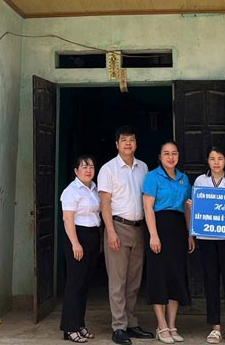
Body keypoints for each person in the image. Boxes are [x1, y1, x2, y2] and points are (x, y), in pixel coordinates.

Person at [98, 126, 155, 345]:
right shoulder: (108, 169)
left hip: (139, 229)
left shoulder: (143, 168)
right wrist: (110, 231)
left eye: (131, 140)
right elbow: (105, 204)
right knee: (117, 281)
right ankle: (119, 326)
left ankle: (132, 323)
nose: (128, 143)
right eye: (123, 140)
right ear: (117, 145)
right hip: (118, 228)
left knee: (134, 281)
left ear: (136, 143)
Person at [142, 141, 194, 344]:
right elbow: (148, 207)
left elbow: (187, 208)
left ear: (178, 156)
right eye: (166, 153)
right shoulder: (152, 177)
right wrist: (153, 235)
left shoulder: (183, 179)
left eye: (174, 153)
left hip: (179, 230)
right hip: (159, 229)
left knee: (176, 276)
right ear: (160, 156)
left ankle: (172, 325)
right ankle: (161, 326)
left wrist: (190, 233)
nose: (170, 157)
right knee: (159, 276)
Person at [193, 146, 225, 345]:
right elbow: (197, 209)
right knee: (211, 282)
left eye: (220, 158)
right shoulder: (200, 181)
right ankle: (215, 326)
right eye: (212, 158)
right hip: (207, 241)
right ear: (207, 160)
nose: (216, 162)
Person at [60, 155, 102, 343]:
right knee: (74, 284)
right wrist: (76, 243)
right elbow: (68, 219)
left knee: (85, 285)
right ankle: (69, 328)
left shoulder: (94, 189)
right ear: (76, 171)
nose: (88, 170)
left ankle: (80, 324)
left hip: (92, 236)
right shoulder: (71, 191)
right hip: (77, 237)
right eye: (84, 167)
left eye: (91, 166)